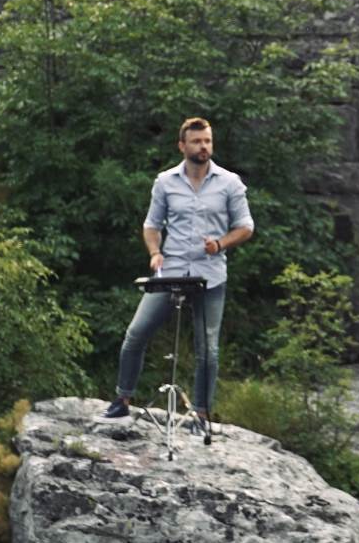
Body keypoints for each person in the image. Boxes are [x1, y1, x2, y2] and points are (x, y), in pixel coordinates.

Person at [102, 118, 254, 428]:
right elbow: (151, 225)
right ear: (182, 145)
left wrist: (221, 243)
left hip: (209, 275)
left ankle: (201, 414)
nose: (204, 147)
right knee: (135, 333)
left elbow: (246, 227)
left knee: (207, 349)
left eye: (208, 141)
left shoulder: (229, 182)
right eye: (197, 142)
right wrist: (155, 252)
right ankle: (122, 400)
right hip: (170, 272)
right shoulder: (165, 182)